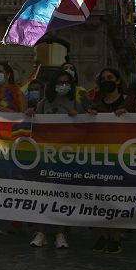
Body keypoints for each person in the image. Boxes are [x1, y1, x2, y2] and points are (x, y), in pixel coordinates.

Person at [26, 69, 87, 249]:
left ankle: (61, 233)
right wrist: (30, 113)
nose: (63, 86)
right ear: (53, 85)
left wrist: (78, 118)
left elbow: (85, 129)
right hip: (46, 154)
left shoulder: (76, 104)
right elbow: (35, 124)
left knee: (65, 195)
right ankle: (41, 232)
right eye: (60, 82)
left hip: (67, 156)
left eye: (66, 82)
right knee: (43, 194)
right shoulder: (44, 103)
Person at [87, 68, 136, 253]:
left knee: (118, 197)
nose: (106, 81)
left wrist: (129, 115)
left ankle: (116, 238)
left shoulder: (129, 102)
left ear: (118, 80)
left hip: (121, 156)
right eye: (103, 79)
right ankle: (103, 235)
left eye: (110, 78)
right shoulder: (97, 103)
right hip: (100, 156)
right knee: (99, 197)